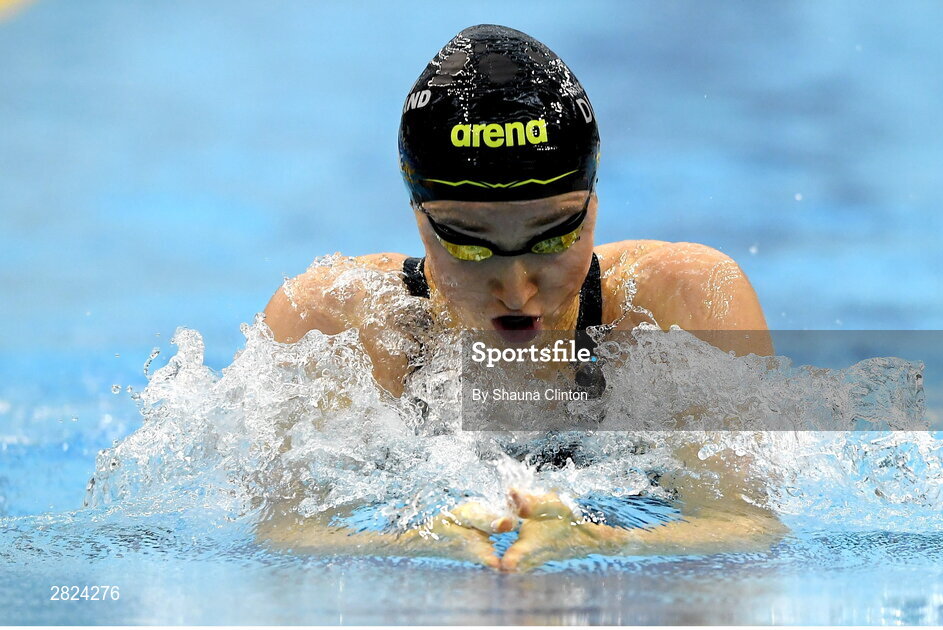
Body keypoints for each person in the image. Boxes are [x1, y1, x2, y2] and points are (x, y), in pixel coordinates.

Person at [258, 24, 784, 571]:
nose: (516, 290)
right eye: (469, 244)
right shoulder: (334, 324)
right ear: (420, 222)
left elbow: (744, 528)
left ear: (594, 206)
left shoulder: (679, 304)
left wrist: (603, 544)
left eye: (553, 237)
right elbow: (284, 536)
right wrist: (404, 545)